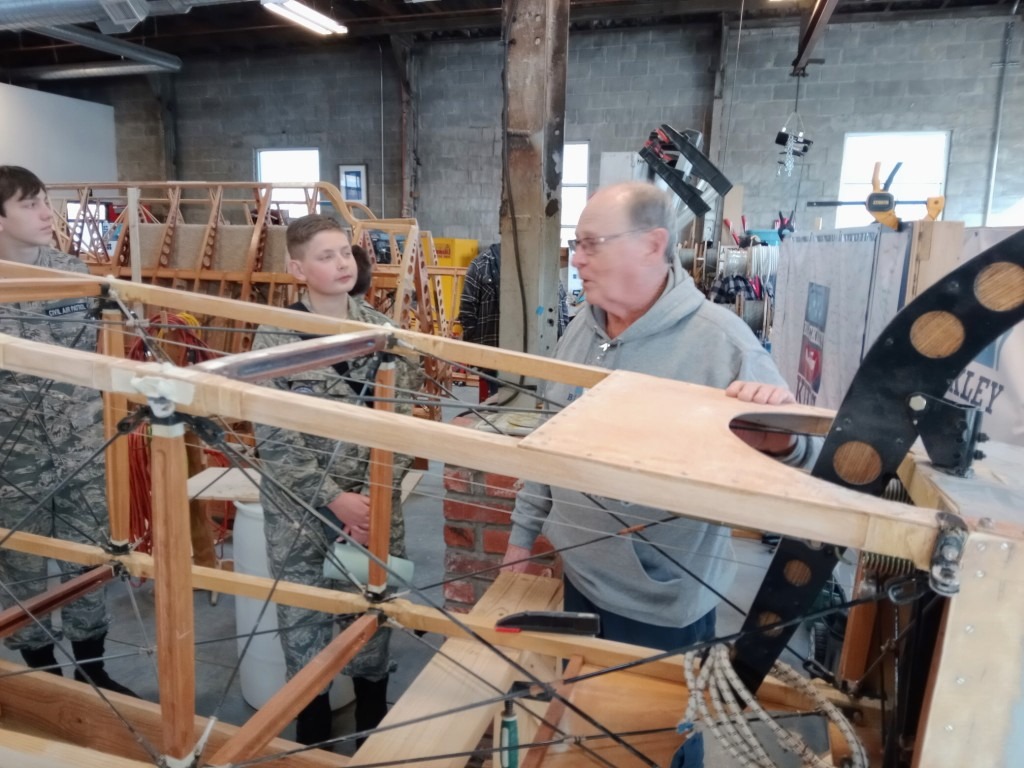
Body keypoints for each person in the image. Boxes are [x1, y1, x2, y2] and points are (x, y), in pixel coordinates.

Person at [501, 181, 816, 652]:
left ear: (652, 245)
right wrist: (522, 538)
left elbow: (818, 460)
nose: (577, 259)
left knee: (646, 704)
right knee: (580, 693)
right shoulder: (581, 329)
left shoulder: (722, 343)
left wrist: (782, 440)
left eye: (591, 244)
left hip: (660, 602)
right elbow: (547, 443)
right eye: (576, 244)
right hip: (580, 575)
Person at [252, 215, 423, 746]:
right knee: (303, 629)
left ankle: (370, 728)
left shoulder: (384, 333)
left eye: (345, 253)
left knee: (370, 619)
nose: (342, 264)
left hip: (373, 511)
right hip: (299, 517)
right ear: (297, 269)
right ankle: (311, 735)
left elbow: (404, 422)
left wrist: (369, 500)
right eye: (325, 257)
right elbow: (273, 436)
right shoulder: (273, 335)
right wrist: (332, 499)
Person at [0, 165, 135, 696]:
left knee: (89, 560)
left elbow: (96, 348)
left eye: (44, 201)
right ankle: (42, 676)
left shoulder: (70, 271)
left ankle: (92, 668)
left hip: (81, 447)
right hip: (12, 460)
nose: (45, 214)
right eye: (30, 204)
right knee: (21, 568)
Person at [459, 242, 571, 397]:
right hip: (502, 361)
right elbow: (467, 313)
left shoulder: (542, 263)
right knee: (511, 404)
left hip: (525, 359)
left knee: (510, 405)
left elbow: (467, 314)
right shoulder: (482, 265)